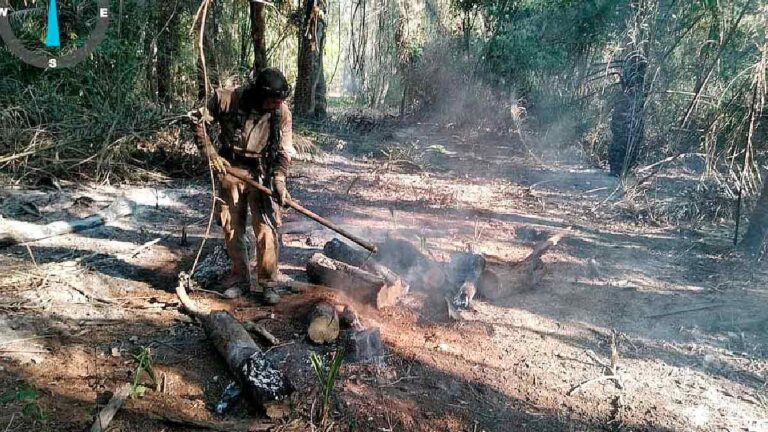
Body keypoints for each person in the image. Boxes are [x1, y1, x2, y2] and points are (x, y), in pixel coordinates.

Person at [192, 68, 294, 303]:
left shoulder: (282, 112)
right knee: (231, 226)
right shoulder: (226, 99)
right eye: (273, 99)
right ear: (259, 94)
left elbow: (284, 151)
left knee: (266, 227)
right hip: (231, 168)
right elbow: (197, 120)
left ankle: (268, 283)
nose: (277, 104)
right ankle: (240, 279)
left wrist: (278, 179)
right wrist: (210, 152)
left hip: (263, 173)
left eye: (280, 100)